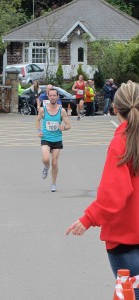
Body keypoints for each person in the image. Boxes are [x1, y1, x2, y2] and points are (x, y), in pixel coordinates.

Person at [66, 81, 139, 299]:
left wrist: (88, 218)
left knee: (129, 294)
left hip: (125, 240)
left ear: (115, 109)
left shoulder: (121, 143)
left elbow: (113, 196)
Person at [36, 88, 71, 192]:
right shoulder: (43, 110)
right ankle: (46, 167)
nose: (52, 97)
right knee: (46, 159)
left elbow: (69, 125)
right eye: (50, 96)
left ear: (57, 97)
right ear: (48, 96)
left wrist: (63, 127)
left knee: (55, 163)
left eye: (54, 95)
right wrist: (39, 130)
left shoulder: (62, 110)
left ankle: (53, 183)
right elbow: (37, 121)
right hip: (45, 138)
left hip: (57, 139)